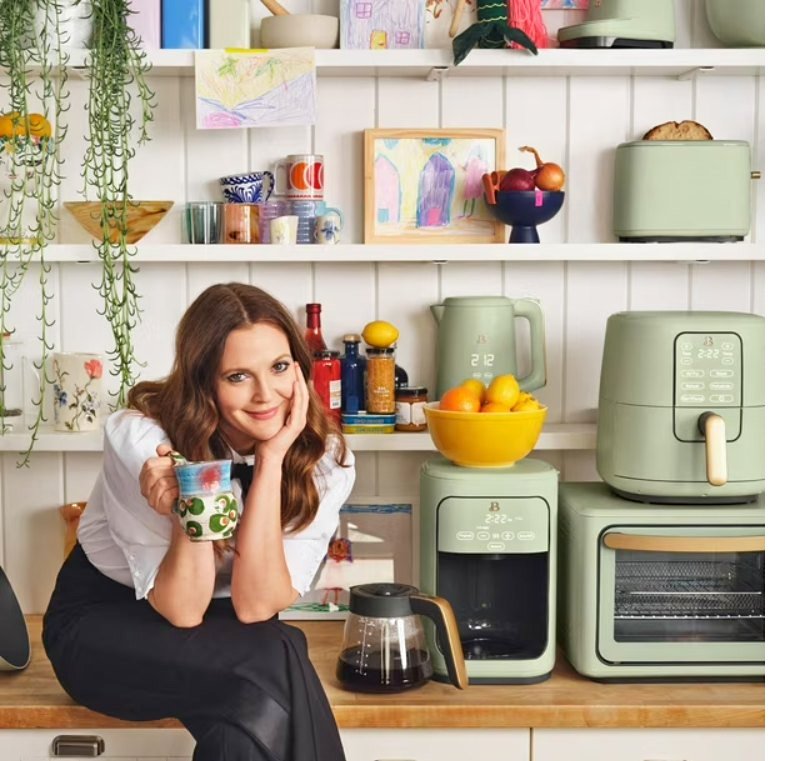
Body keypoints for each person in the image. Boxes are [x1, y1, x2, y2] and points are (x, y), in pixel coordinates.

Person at [42, 283, 356, 761]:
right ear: (203, 381)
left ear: (299, 367)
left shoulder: (325, 460)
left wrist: (271, 460)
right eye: (237, 376)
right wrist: (190, 497)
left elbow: (254, 606)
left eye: (278, 368)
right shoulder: (144, 440)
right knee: (280, 652)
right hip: (106, 627)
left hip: (233, 636)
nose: (265, 395)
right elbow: (184, 610)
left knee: (250, 717)